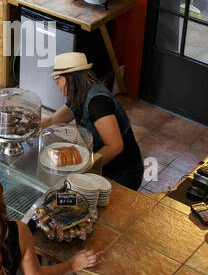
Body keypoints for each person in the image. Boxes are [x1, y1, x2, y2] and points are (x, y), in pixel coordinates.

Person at [40, 52, 144, 190]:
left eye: (57, 79)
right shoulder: (78, 95)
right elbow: (52, 120)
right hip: (105, 165)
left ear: (70, 77)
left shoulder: (97, 103)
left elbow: (115, 146)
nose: (56, 84)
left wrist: (83, 169)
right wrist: (29, 128)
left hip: (123, 172)